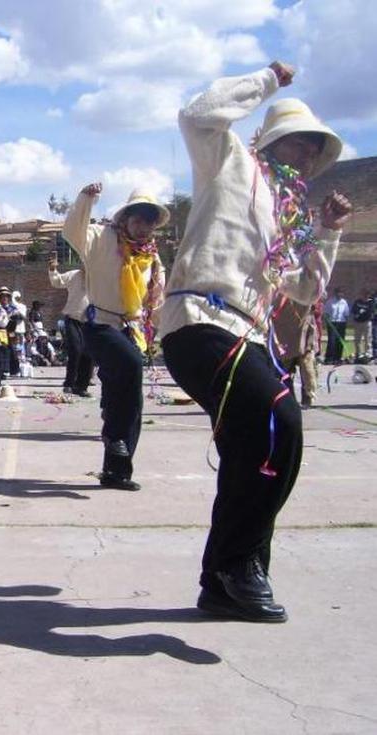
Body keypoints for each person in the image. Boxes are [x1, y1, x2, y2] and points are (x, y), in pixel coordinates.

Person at [161, 61, 351, 623]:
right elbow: (196, 115)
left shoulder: (287, 219)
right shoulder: (229, 163)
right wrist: (267, 79)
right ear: (271, 143)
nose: (309, 156)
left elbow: (306, 288)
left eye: (317, 149)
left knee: (254, 454)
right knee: (280, 419)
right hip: (200, 320)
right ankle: (236, 566)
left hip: (246, 333)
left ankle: (226, 580)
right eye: (300, 143)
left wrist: (328, 233)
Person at [63, 184, 167, 491]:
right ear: (125, 218)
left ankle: (117, 471)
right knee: (131, 366)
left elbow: (155, 299)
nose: (144, 226)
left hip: (130, 329)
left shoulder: (151, 256)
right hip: (99, 325)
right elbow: (73, 231)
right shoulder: (101, 238)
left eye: (150, 220)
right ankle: (114, 436)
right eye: (138, 218)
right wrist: (85, 200)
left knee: (130, 398)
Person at [48, 256, 94, 397]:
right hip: (73, 319)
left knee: (88, 354)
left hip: (91, 321)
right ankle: (69, 383)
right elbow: (57, 282)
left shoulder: (100, 278)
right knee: (75, 350)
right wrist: (52, 269)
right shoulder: (74, 275)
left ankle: (82, 386)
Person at [323, 288, 349, 364]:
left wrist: (345, 323)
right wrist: (328, 322)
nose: (340, 294)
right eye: (339, 293)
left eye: (342, 293)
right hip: (332, 323)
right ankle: (329, 358)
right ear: (336, 293)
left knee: (340, 341)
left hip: (341, 323)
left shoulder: (344, 302)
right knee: (332, 341)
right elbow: (326, 313)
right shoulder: (330, 302)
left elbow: (346, 314)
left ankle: (338, 358)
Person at [350, 289, 373, 363]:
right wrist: (357, 314)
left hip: (366, 322)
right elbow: (353, 311)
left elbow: (370, 312)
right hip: (358, 323)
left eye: (367, 295)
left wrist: (361, 312)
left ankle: (367, 355)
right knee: (357, 340)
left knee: (367, 339)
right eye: (364, 294)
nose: (365, 296)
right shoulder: (357, 302)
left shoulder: (371, 302)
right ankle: (358, 355)